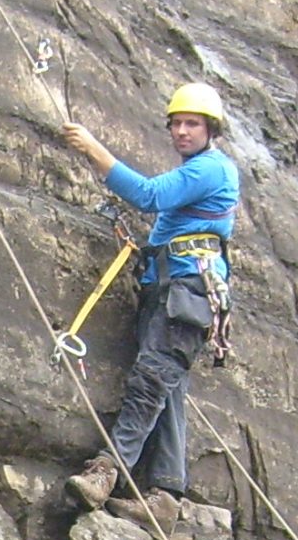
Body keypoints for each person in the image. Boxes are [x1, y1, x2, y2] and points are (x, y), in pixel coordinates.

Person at [60, 82, 240, 510]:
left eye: (192, 124)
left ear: (211, 129)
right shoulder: (197, 174)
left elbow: (149, 196)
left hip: (188, 292)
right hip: (171, 289)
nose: (182, 131)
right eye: (176, 124)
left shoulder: (212, 169)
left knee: (151, 382)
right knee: (167, 390)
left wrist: (93, 149)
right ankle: (166, 498)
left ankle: (107, 471)